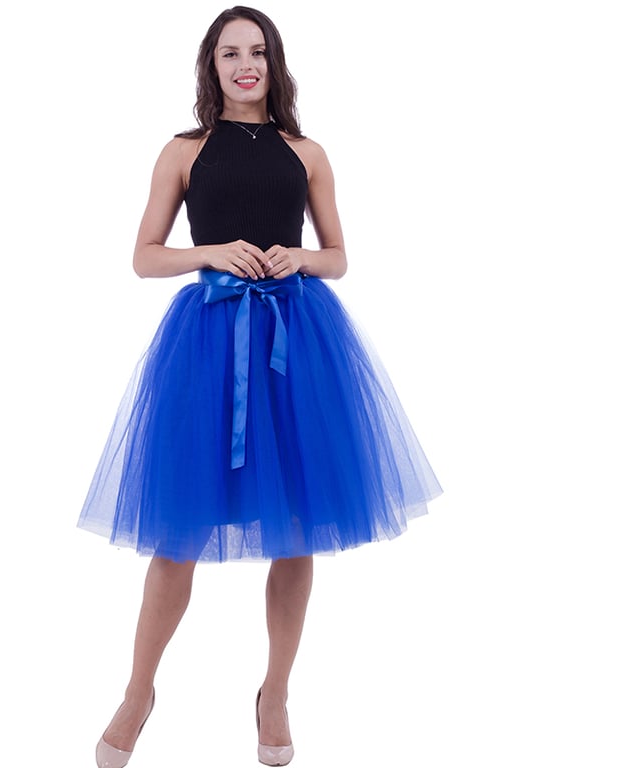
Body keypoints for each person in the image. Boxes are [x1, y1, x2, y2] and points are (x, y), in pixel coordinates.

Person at [78, 6, 442, 766]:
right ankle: (139, 692)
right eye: (230, 54)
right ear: (210, 67)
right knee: (178, 530)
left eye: (257, 52)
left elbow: (338, 255)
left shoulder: (306, 152)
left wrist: (300, 259)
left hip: (296, 342)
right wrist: (209, 251)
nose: (245, 65)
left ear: (275, 63)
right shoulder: (184, 151)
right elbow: (143, 256)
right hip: (208, 343)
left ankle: (274, 693)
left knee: (299, 526)